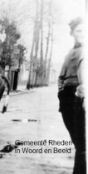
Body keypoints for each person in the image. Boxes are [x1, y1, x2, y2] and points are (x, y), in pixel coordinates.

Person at [58, 17, 85, 174]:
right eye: (79, 30)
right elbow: (61, 77)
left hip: (79, 98)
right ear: (72, 33)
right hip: (69, 99)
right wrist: (61, 93)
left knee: (82, 145)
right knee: (80, 143)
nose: (83, 34)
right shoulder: (71, 53)